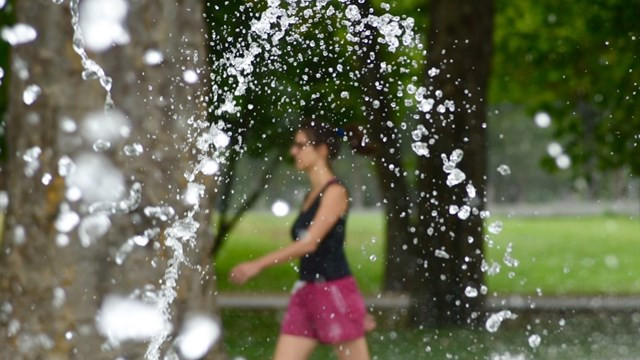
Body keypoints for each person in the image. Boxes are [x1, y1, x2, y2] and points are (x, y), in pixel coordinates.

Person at [229, 120, 373, 360]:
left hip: (333, 289)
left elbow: (309, 243)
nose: (293, 151)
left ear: (322, 151)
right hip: (307, 291)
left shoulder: (335, 192)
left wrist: (257, 265)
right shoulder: (311, 195)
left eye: (300, 145)